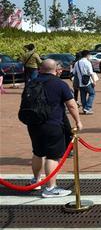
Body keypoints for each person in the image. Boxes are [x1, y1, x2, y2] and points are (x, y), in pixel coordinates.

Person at [25, 59, 83, 197]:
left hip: (33, 123)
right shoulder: (59, 84)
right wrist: (78, 121)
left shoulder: (31, 83)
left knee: (38, 152)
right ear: (54, 70)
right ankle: (50, 188)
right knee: (53, 156)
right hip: (52, 124)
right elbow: (72, 105)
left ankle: (36, 180)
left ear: (40, 69)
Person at [72, 50, 96, 114]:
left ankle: (84, 108)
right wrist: (94, 81)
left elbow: (74, 72)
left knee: (83, 96)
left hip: (80, 82)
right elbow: (91, 73)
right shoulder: (87, 62)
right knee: (92, 94)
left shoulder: (77, 63)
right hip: (87, 81)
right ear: (87, 55)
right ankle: (87, 108)